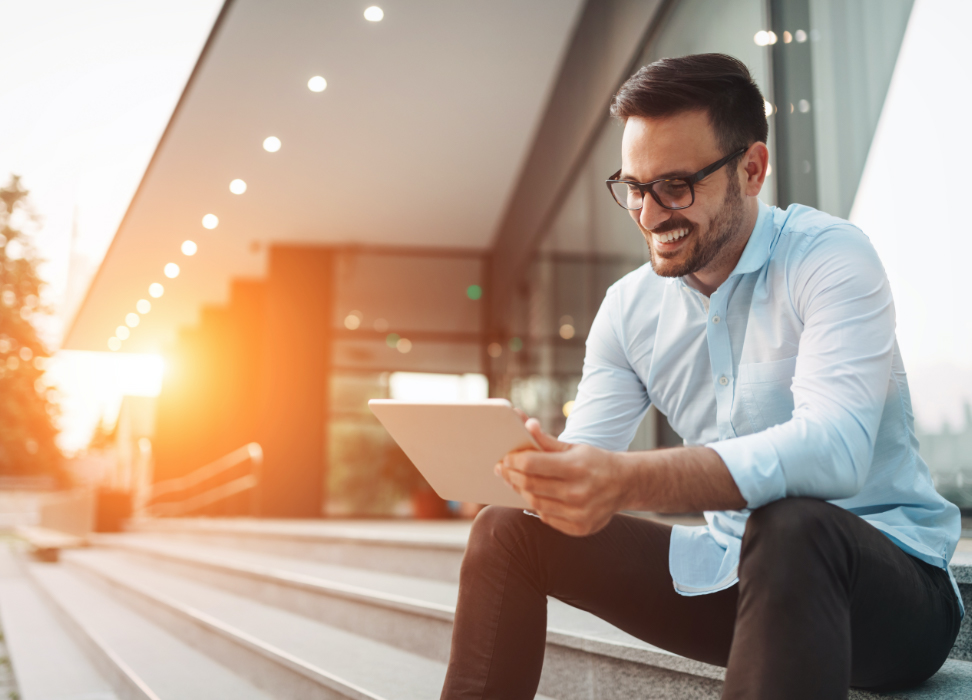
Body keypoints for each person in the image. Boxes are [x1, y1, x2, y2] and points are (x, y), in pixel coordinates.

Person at [439, 53, 963, 700]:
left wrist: (626, 479)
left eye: (677, 186)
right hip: (732, 575)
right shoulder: (630, 310)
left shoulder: (829, 257)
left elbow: (835, 451)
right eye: (635, 187)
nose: (651, 215)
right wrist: (542, 475)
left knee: (792, 522)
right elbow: (589, 465)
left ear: (752, 169)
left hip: (892, 593)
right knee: (506, 529)